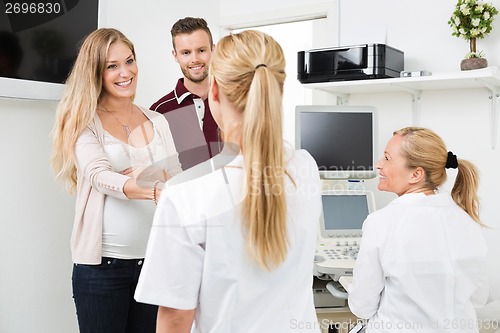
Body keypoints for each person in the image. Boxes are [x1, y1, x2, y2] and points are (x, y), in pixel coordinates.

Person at [135, 30, 323, 333]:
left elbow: (174, 319)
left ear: (215, 92)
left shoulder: (184, 197)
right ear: (279, 91)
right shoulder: (305, 168)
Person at [50, 28, 182, 333]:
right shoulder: (84, 121)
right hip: (102, 269)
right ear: (96, 72)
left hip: (155, 263)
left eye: (129, 61)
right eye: (112, 66)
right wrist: (153, 188)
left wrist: (149, 183)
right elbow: (98, 175)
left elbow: (177, 177)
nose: (125, 72)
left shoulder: (158, 120)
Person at [348, 127, 489, 332]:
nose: (378, 165)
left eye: (387, 158)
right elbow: (478, 297)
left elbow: (362, 307)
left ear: (416, 174)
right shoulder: (467, 219)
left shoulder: (381, 222)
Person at [150, 17, 221, 170]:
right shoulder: (159, 111)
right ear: (175, 56)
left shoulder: (233, 100)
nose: (195, 59)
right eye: (186, 53)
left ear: (213, 50)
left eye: (201, 50)